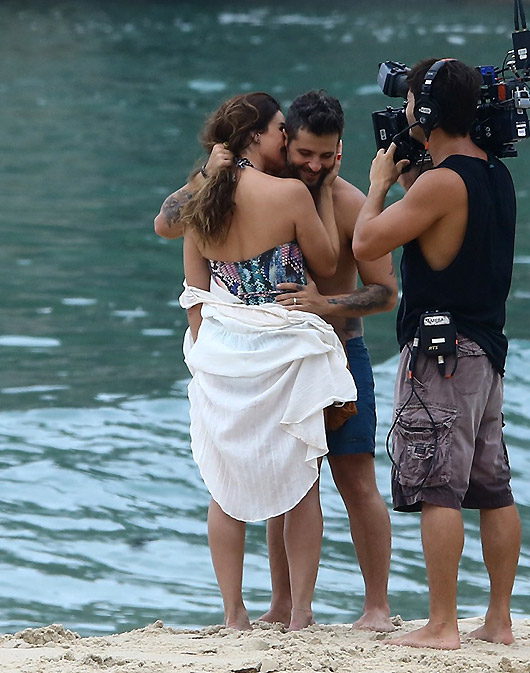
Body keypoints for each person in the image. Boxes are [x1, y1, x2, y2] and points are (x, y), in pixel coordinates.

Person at [155, 91, 397, 632]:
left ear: (340, 151)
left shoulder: (353, 204)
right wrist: (205, 174)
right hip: (279, 355)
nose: (313, 164)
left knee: (356, 480)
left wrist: (327, 303)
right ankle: (285, 607)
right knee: (283, 484)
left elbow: (386, 293)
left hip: (341, 351)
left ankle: (377, 606)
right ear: (282, 145)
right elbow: (173, 228)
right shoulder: (277, 193)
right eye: (302, 152)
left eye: (326, 157)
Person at [353, 58, 521, 650]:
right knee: (492, 487)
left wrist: (376, 184)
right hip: (486, 349)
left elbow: (366, 240)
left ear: (424, 112)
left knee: (438, 489)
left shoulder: (441, 183)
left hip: (441, 353)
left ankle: (442, 624)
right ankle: (498, 620)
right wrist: (410, 186)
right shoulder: (492, 174)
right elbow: (448, 231)